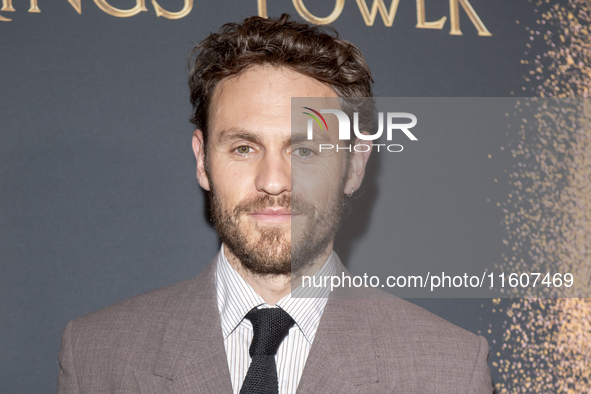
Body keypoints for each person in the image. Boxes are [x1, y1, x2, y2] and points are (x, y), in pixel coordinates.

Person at [57, 14, 493, 394]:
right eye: (244, 148)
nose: (273, 181)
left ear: (354, 166)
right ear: (202, 160)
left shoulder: (450, 370)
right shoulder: (97, 355)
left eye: (304, 151)